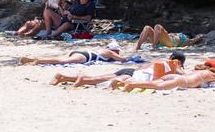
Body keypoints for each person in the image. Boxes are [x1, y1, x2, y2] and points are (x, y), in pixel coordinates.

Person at [50, 52, 186, 87]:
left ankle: (64, 77)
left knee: (102, 77)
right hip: (134, 75)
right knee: (99, 80)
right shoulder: (174, 65)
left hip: (131, 70)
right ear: (178, 61)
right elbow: (185, 75)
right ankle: (82, 80)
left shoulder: (157, 62)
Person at [19, 41, 127, 65]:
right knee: (62, 61)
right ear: (115, 50)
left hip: (81, 52)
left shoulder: (104, 50)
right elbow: (123, 60)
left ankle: (31, 59)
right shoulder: (109, 52)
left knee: (58, 58)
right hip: (85, 56)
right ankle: (39, 61)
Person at [122, 67, 215, 92]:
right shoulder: (211, 75)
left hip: (174, 76)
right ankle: (132, 84)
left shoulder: (201, 71)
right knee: (157, 86)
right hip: (182, 81)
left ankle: (127, 83)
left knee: (151, 83)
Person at [135, 24, 204, 51]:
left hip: (170, 42)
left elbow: (193, 40)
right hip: (161, 40)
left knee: (157, 26)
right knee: (147, 28)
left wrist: (200, 37)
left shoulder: (186, 39)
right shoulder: (179, 35)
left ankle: (154, 46)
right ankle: (138, 47)